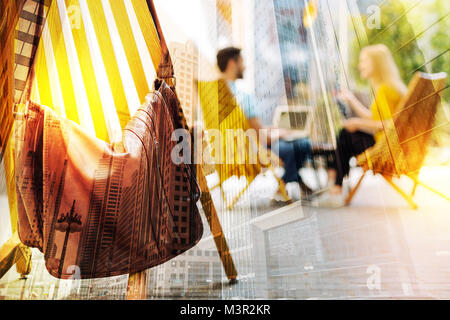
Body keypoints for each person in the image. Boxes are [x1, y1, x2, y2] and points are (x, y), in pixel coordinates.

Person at [216, 47, 313, 199]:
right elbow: (261, 137)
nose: (245, 66)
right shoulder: (242, 97)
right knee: (303, 145)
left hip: (226, 150)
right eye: (242, 62)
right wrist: (279, 133)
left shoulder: (216, 96)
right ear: (232, 63)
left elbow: (248, 128)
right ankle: (284, 185)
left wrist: (272, 129)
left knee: (293, 145)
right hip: (252, 152)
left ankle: (288, 183)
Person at [319, 44, 407, 207]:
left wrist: (358, 123)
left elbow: (389, 124)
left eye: (364, 61)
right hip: (390, 145)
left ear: (377, 64)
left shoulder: (386, 90)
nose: (360, 65)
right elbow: (374, 117)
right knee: (346, 134)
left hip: (386, 149)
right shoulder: (389, 86)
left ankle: (335, 187)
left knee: (345, 136)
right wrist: (352, 99)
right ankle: (336, 186)